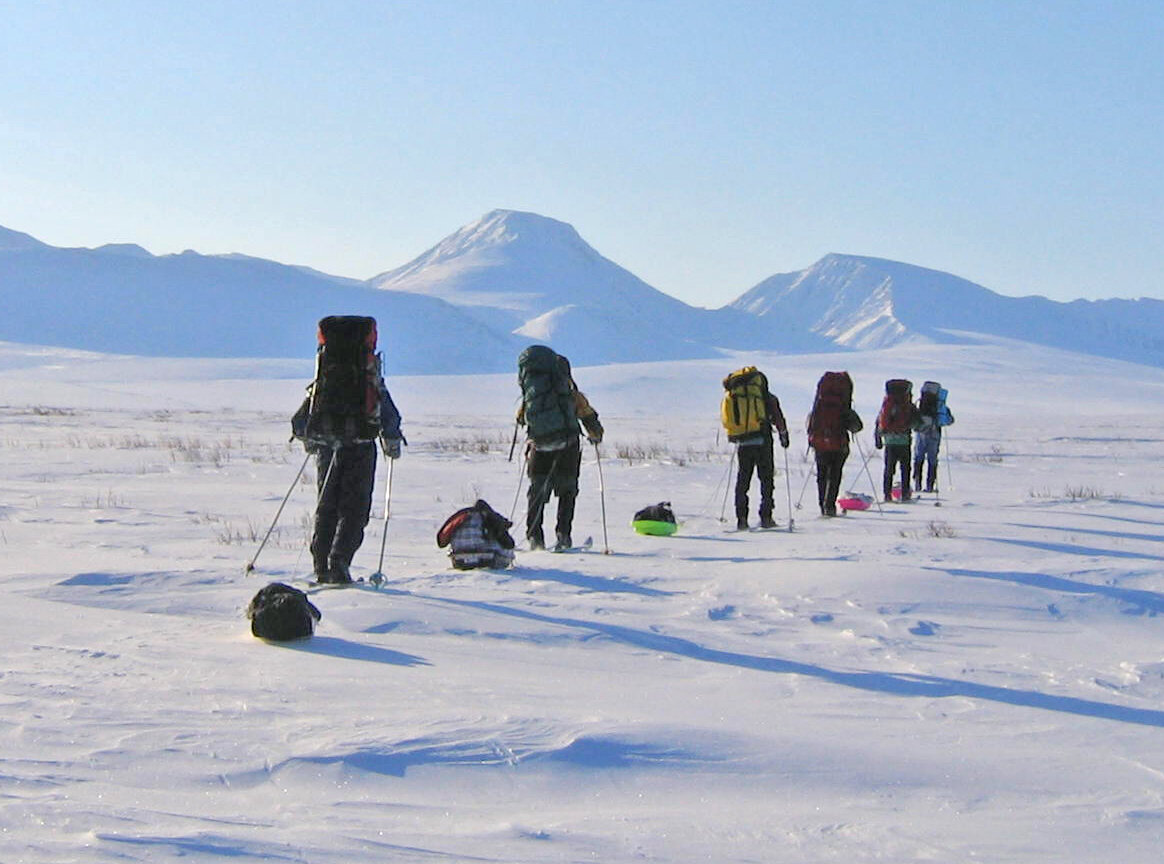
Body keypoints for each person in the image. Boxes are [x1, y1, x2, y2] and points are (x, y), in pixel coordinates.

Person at [292, 316, 404, 584]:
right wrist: (391, 439)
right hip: (361, 446)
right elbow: (386, 409)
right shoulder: (367, 372)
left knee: (327, 506)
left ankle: (321, 565)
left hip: (327, 447)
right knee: (354, 509)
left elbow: (299, 421)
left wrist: (311, 436)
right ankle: (340, 562)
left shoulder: (326, 373)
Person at [517, 348, 603, 551]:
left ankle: (535, 537)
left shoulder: (533, 394)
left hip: (539, 448)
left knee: (537, 493)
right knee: (567, 492)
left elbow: (520, 418)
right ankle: (563, 536)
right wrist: (595, 435)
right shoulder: (572, 395)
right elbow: (589, 418)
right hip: (568, 448)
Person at [721, 367, 789, 530]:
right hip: (763, 439)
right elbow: (776, 415)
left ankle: (742, 519)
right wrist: (783, 434)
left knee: (743, 480)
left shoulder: (734, 394)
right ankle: (766, 517)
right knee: (766, 479)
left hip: (743, 441)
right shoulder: (764, 395)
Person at [806, 371, 863, 517]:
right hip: (839, 443)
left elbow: (810, 424)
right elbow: (857, 426)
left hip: (820, 443)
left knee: (822, 474)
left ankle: (822, 506)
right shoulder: (843, 406)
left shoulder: (820, 405)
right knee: (835, 475)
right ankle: (830, 506)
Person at [874, 379, 920, 502]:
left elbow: (879, 421)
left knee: (889, 469)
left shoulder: (887, 404)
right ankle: (905, 494)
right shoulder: (908, 405)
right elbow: (917, 422)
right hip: (904, 440)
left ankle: (887, 494)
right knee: (905, 468)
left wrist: (878, 438)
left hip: (889, 441)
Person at [913, 381, 955, 493]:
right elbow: (949, 420)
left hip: (921, 433)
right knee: (932, 459)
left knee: (918, 458)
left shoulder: (920, 404)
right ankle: (930, 485)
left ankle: (917, 483)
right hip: (935, 433)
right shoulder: (940, 405)